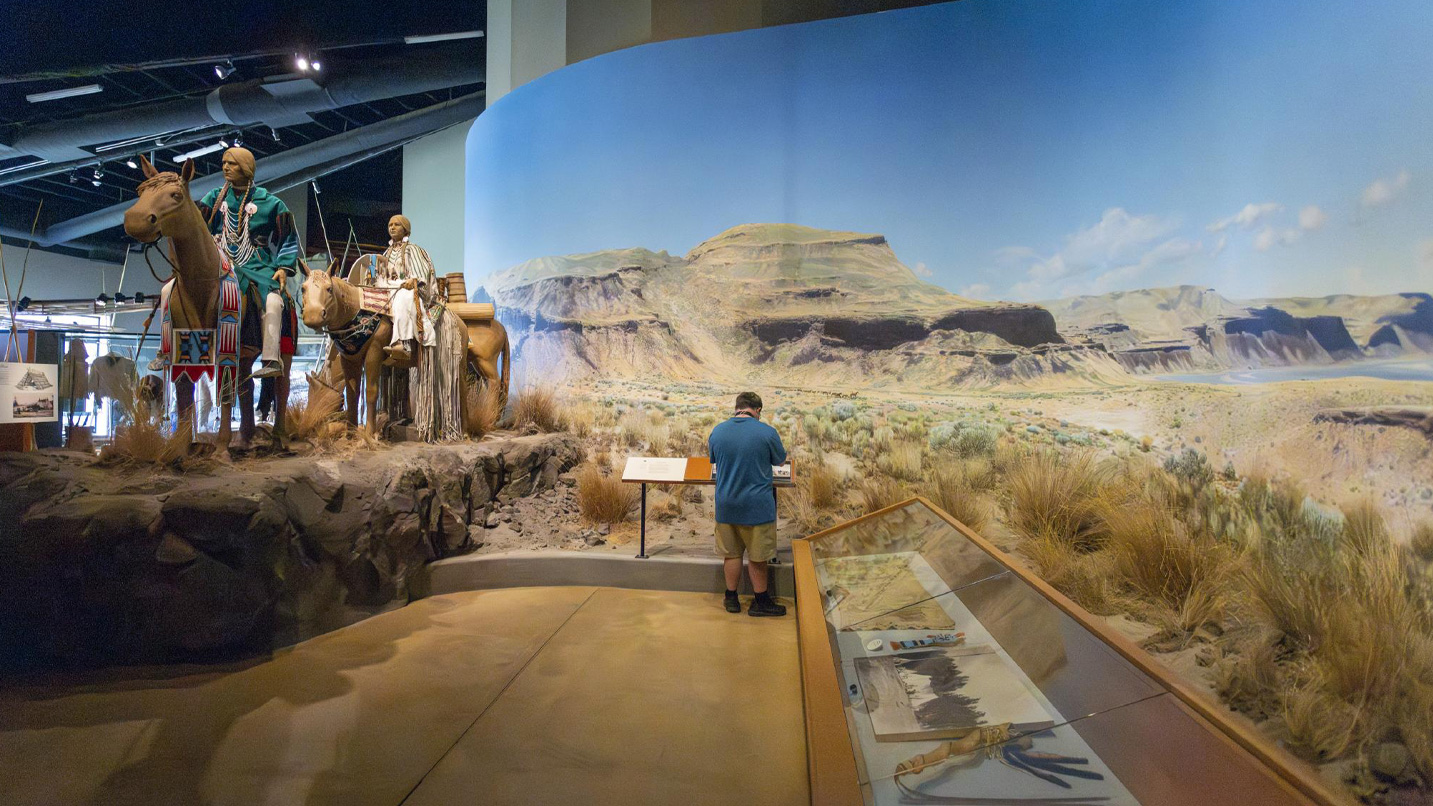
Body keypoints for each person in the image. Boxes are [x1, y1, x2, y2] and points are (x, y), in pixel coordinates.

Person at [151, 147, 298, 378]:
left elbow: (288, 235)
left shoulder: (270, 203)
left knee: (272, 300)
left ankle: (271, 358)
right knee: (168, 290)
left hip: (256, 266)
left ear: (247, 168)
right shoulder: (213, 198)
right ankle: (167, 350)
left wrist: (282, 267)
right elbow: (197, 231)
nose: (225, 167)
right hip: (218, 263)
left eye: (232, 164)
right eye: (224, 163)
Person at [708, 391, 788, 617]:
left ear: (737, 407)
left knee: (731, 554)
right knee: (757, 555)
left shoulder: (718, 431)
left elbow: (712, 459)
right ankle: (760, 601)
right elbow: (780, 460)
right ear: (758, 410)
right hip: (757, 506)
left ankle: (731, 598)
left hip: (726, 504)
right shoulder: (767, 432)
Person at [374, 214, 438, 366]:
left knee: (403, 297)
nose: (392, 227)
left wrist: (413, 280)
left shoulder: (413, 250)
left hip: (408, 288)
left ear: (406, 229)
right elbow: (380, 275)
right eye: (390, 225)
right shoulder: (386, 253)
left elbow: (422, 273)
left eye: (397, 224)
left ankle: (403, 343)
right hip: (388, 287)